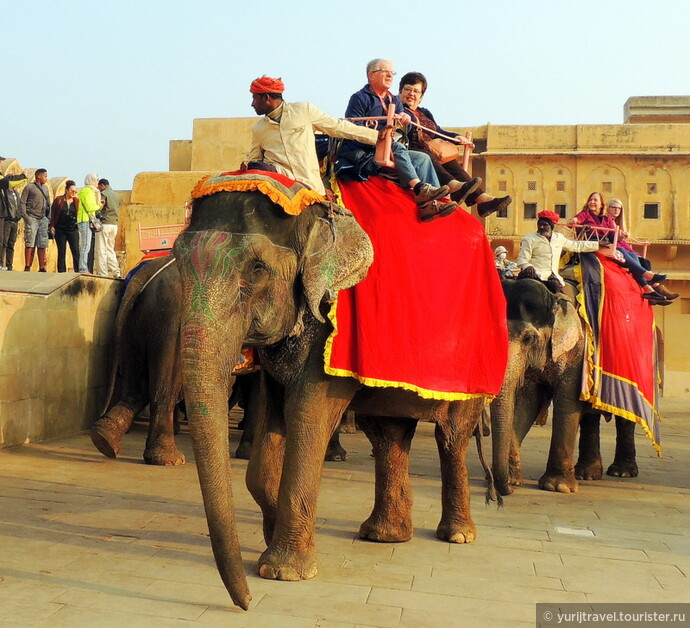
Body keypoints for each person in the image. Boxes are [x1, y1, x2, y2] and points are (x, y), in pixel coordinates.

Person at [340, 58, 481, 222]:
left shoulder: (393, 101)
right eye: (385, 71)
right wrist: (380, 132)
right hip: (368, 149)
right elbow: (352, 126)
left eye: (392, 73)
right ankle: (421, 188)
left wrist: (406, 119)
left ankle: (437, 202)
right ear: (371, 75)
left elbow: (415, 130)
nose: (389, 75)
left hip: (394, 148)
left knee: (423, 158)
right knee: (404, 149)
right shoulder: (360, 98)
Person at [397, 72, 512, 218]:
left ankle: (483, 200)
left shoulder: (424, 112)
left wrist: (456, 138)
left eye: (416, 91)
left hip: (431, 148)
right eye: (408, 89)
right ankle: (454, 187)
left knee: (452, 163)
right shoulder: (397, 107)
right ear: (400, 91)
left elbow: (437, 131)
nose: (411, 94)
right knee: (428, 156)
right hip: (411, 148)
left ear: (421, 97)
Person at [245, 75, 380, 196]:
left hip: (308, 185)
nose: (252, 104)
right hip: (280, 185)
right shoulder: (258, 128)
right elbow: (254, 159)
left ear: (266, 98)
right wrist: (247, 164)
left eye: (254, 98)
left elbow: (338, 127)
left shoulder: (303, 110)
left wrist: (376, 136)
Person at [516, 210, 608, 293]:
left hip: (552, 277)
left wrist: (597, 244)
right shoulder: (529, 239)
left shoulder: (558, 238)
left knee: (561, 299)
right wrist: (528, 266)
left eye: (545, 225)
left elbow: (576, 246)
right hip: (534, 274)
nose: (541, 227)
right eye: (540, 224)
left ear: (552, 226)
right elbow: (522, 260)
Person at [605, 198, 675, 305]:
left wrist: (623, 236)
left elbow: (620, 240)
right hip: (611, 246)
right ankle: (653, 286)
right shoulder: (606, 220)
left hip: (619, 245)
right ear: (608, 208)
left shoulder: (615, 222)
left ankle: (655, 288)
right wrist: (620, 236)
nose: (616, 210)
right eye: (613, 207)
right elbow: (609, 236)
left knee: (645, 261)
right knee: (635, 258)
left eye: (619, 208)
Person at [19, 168, 51, 272]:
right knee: (30, 243)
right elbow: (22, 202)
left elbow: (48, 204)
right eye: (45, 176)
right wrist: (26, 217)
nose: (46, 178)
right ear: (38, 176)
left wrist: (48, 218)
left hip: (43, 219)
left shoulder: (46, 189)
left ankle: (42, 267)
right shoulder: (29, 187)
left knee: (42, 244)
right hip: (32, 218)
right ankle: (28, 266)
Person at [0, 161, 27, 271]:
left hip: (11, 218)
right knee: (3, 242)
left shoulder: (16, 193)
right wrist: (23, 176)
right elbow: (7, 181)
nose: (1, 164)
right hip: (5, 218)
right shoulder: (4, 187)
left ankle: (8, 266)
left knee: (10, 243)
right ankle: (1, 264)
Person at [50, 180, 80, 272]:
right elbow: (53, 213)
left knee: (75, 250)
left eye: (75, 191)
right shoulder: (59, 200)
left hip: (73, 229)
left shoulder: (76, 201)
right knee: (61, 251)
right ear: (66, 190)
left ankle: (78, 270)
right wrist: (52, 226)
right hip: (60, 229)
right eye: (72, 191)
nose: (73, 193)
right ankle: (61, 271)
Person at [95, 178, 121, 277]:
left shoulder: (104, 194)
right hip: (114, 225)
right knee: (110, 249)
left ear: (102, 185)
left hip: (104, 224)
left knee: (101, 249)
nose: (99, 189)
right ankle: (116, 271)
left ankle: (103, 273)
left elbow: (99, 207)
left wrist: (96, 213)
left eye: (99, 186)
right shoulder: (116, 196)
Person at [77, 173, 101, 273]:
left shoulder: (89, 191)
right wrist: (99, 205)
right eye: (96, 180)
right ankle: (83, 268)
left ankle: (83, 267)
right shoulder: (88, 191)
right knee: (85, 245)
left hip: (86, 220)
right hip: (85, 220)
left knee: (86, 245)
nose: (97, 182)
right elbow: (89, 207)